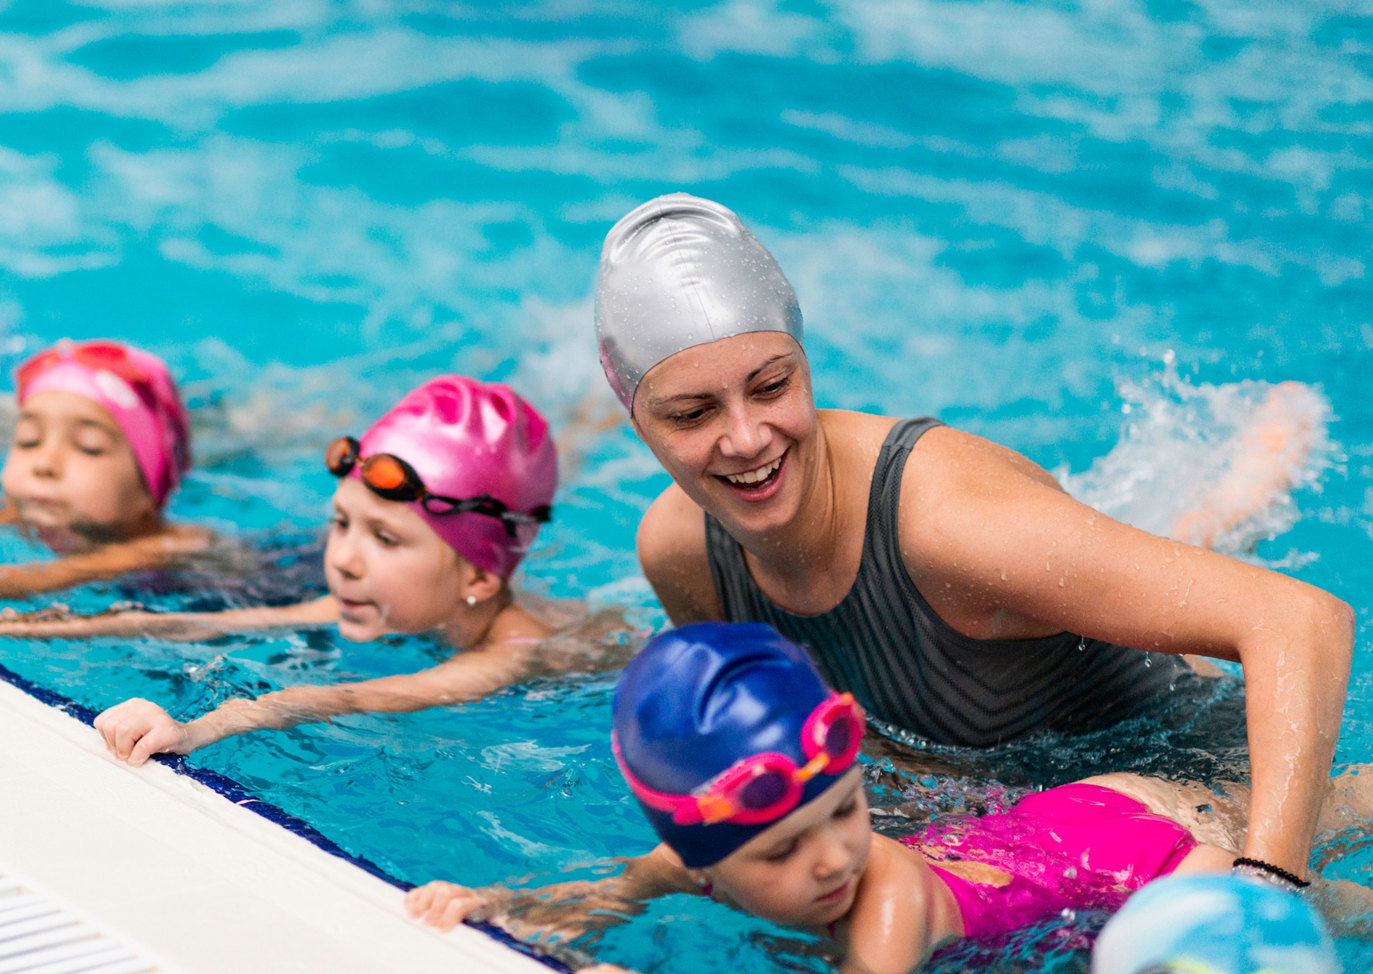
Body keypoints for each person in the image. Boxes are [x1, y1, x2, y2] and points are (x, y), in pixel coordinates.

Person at [592, 192, 1354, 884]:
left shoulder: (949, 525)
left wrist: (1270, 886)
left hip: (1185, 767)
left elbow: (1299, 620)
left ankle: (1243, 495)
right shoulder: (680, 550)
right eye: (692, 414)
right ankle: (1217, 509)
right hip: (1014, 798)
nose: (746, 438)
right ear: (636, 420)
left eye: (771, 386)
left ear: (806, 364)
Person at [404, 624, 1370, 972]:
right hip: (1078, 814)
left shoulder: (889, 903)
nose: (830, 859)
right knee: (1331, 808)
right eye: (780, 851)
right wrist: (501, 909)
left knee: (1328, 910)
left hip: (1148, 865)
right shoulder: (689, 863)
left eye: (842, 814)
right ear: (702, 857)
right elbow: (609, 892)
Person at [76, 375, 614, 766]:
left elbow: (355, 696)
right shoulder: (391, 593)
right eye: (341, 522)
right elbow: (222, 623)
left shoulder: (514, 654)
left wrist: (193, 731)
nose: (342, 559)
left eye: (385, 537)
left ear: (478, 579)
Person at [0, 338, 205, 596]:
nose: (44, 464)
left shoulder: (172, 544)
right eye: (28, 441)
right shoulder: (22, 510)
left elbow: (39, 578)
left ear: (147, 493)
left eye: (89, 447)